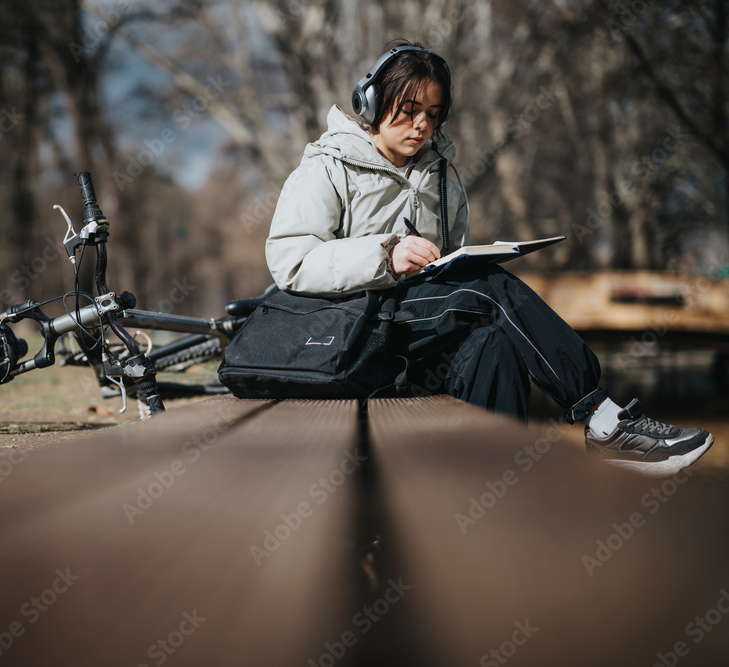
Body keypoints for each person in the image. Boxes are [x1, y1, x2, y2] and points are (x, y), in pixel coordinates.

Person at [265, 40, 713, 476]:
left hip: (412, 339)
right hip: (351, 334)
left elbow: (454, 275)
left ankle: (490, 488)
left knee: (493, 346)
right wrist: (385, 254)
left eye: (432, 116)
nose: (421, 125)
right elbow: (291, 261)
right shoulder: (326, 167)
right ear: (372, 103)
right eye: (408, 111)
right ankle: (600, 416)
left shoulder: (444, 181)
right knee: (489, 290)